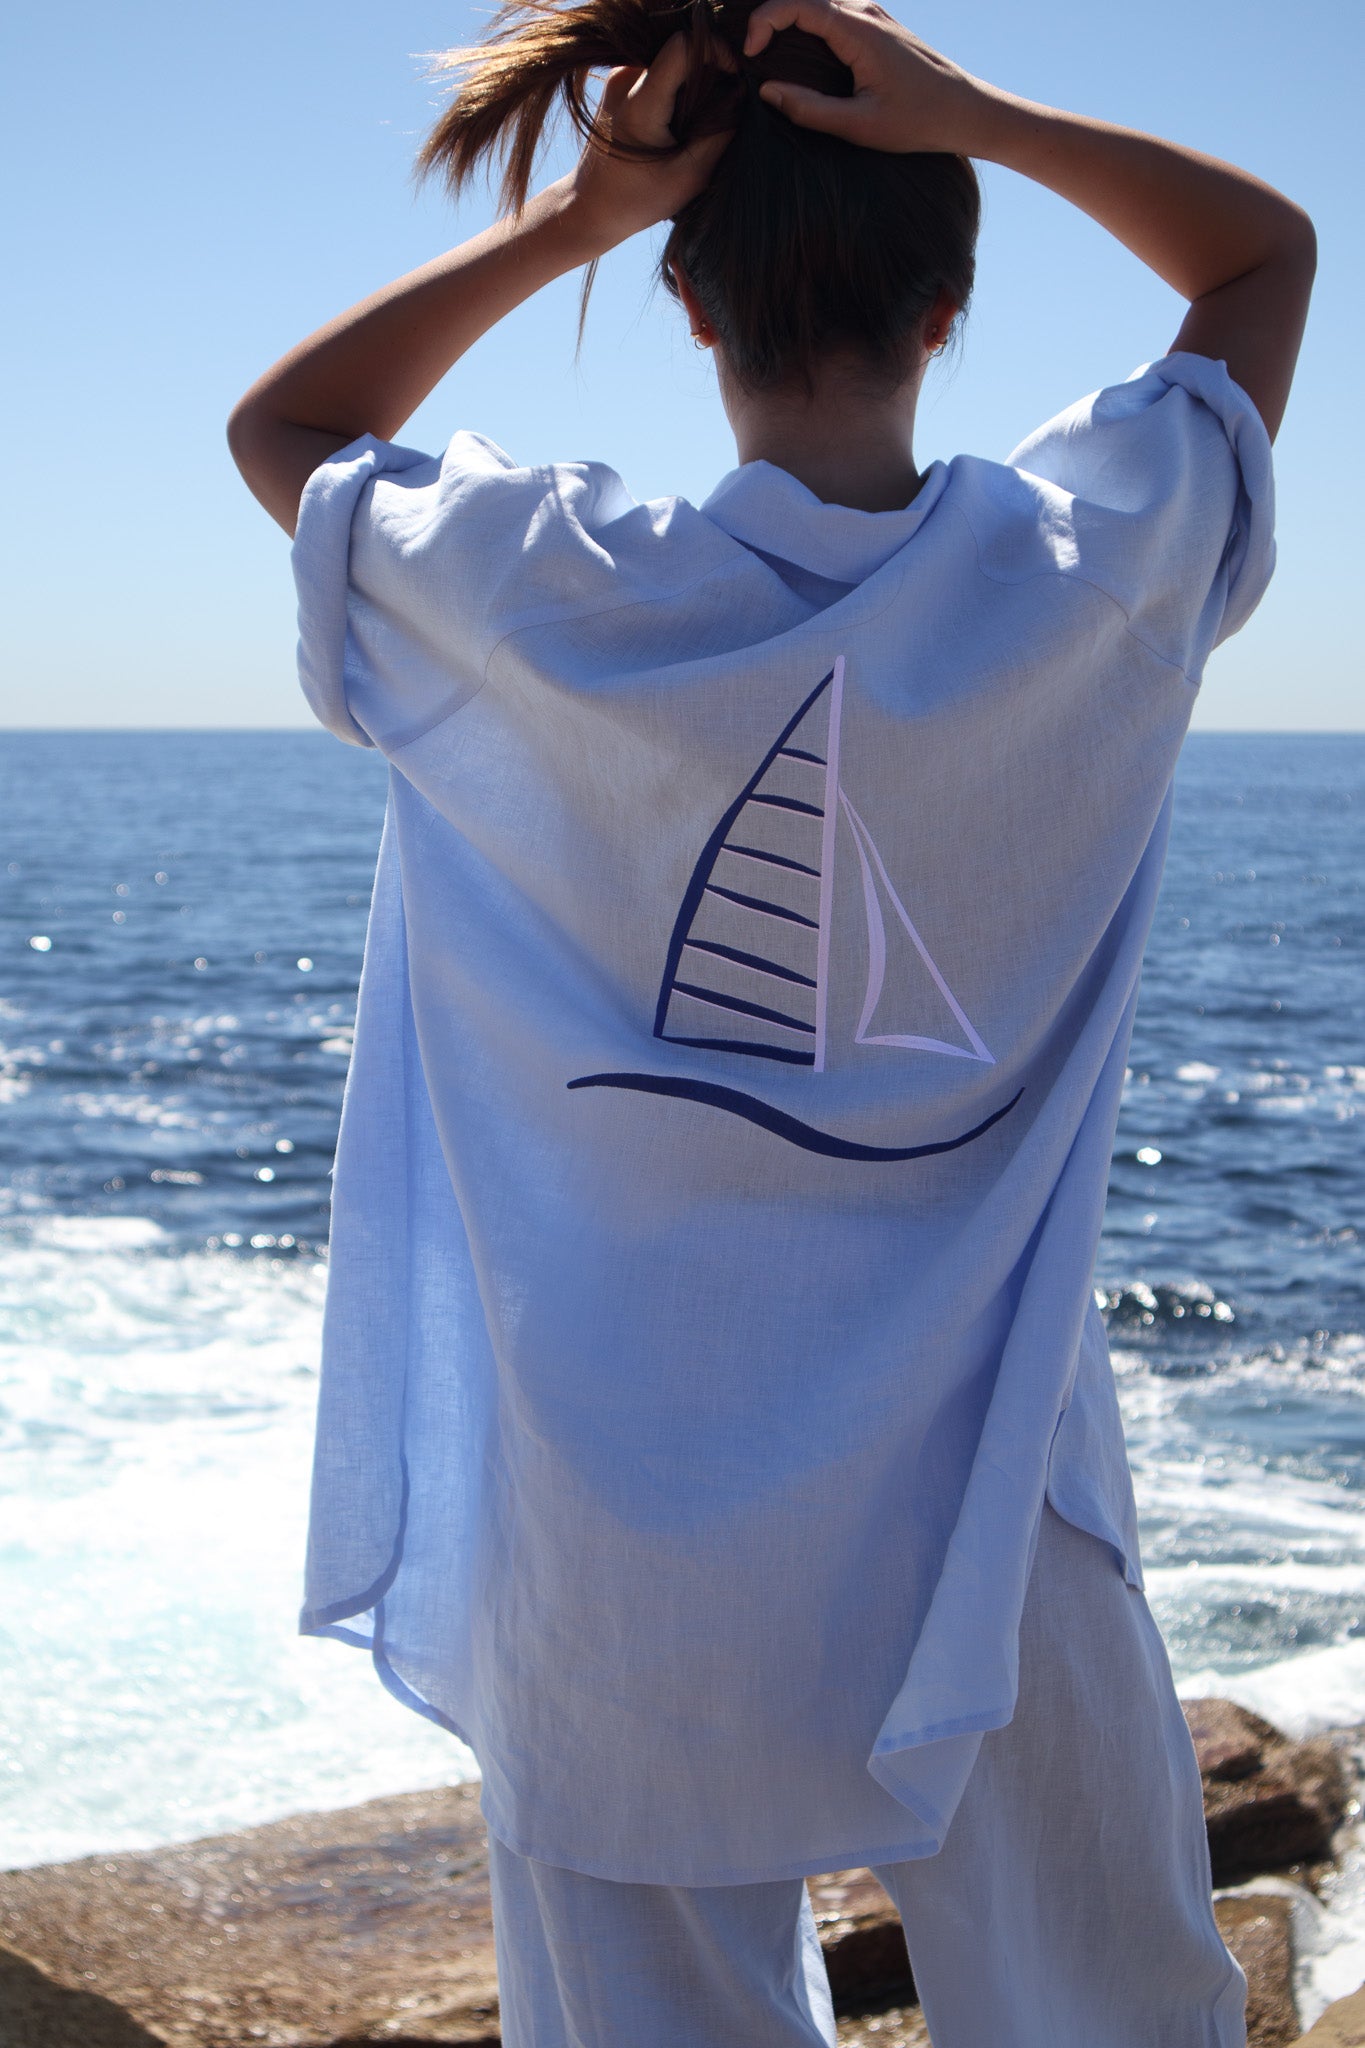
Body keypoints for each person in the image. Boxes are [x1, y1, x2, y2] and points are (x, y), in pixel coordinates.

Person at [228, 2, 1315, 2041]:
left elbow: (282, 434)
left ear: (684, 302)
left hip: (611, 1513)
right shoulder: (1081, 576)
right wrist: (978, 114)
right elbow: (1260, 256)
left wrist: (569, 220)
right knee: (1103, 2016)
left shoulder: (546, 593)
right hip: (994, 1502)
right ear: (951, 300)